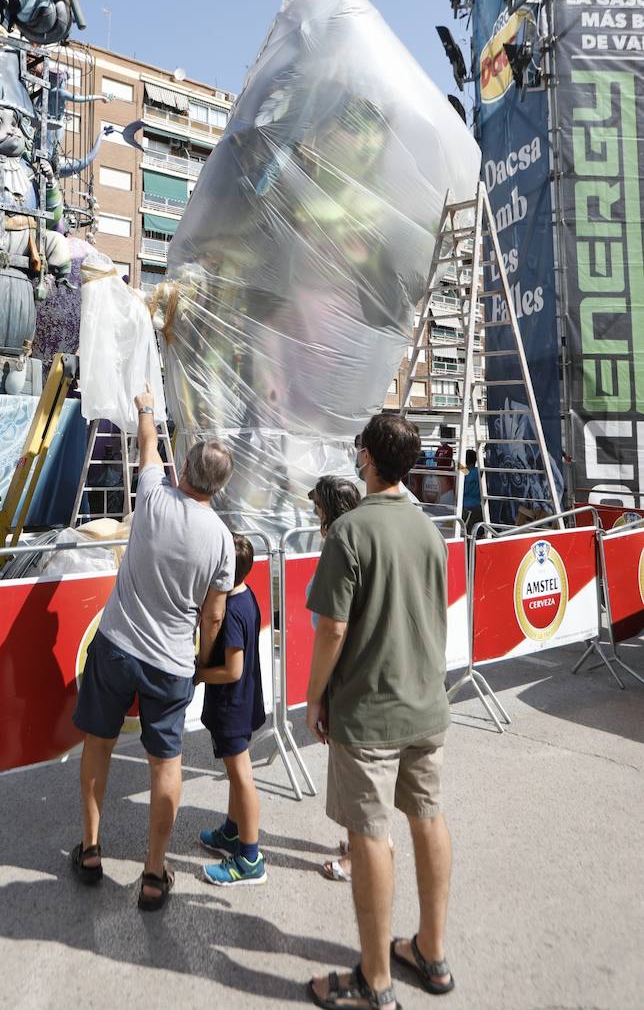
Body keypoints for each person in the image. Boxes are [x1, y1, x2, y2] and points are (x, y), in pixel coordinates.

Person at [306, 413, 455, 1009]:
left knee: (369, 832)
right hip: (426, 702)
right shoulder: (428, 528)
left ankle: (375, 980)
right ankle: (432, 951)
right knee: (428, 816)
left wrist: (315, 695)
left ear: (365, 457)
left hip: (369, 710)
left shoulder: (349, 532)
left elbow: (332, 629)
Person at [71, 386, 235, 913]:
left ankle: (92, 848)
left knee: (98, 744)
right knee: (165, 765)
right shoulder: (223, 539)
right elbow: (214, 612)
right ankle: (153, 870)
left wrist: (147, 407)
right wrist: (205, 660)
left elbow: (146, 445)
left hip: (117, 644)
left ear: (182, 470)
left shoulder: (155, 497)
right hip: (170, 661)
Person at [197, 534, 267, 886]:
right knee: (236, 775)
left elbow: (233, 669)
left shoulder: (231, 613)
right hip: (244, 701)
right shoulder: (246, 595)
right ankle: (231, 831)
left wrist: (199, 673)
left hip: (232, 705)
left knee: (242, 778)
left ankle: (250, 858)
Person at [306, 476, 367, 883]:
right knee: (356, 771)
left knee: (353, 774)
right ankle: (364, 842)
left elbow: (333, 627)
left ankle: (362, 854)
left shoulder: (340, 546)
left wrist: (317, 694)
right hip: (356, 669)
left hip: (345, 674)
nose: (313, 514)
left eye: (317, 508)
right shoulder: (360, 540)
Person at [463, 448, 482, 533]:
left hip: (464, 506)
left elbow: (457, 466)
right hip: (478, 505)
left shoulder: (464, 472)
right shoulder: (479, 471)